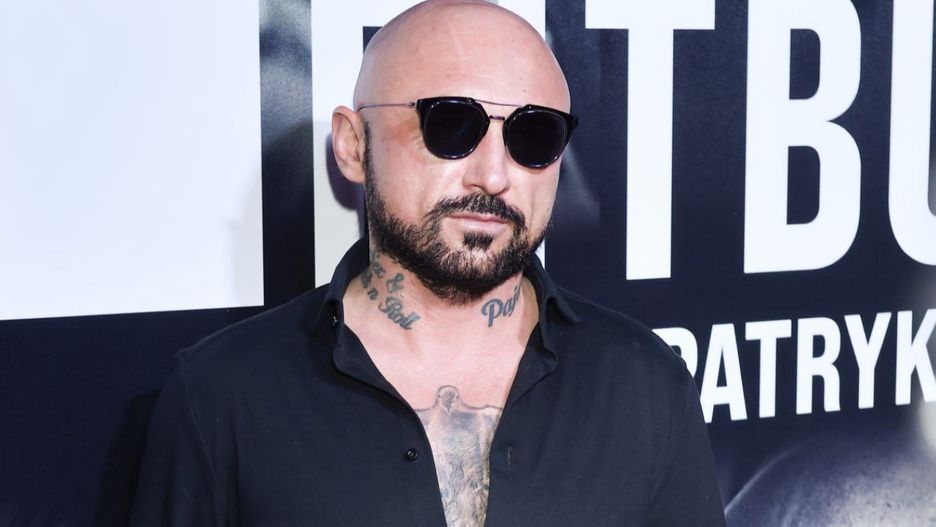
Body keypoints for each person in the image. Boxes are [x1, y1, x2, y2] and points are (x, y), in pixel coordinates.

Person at [131, 1, 725, 525]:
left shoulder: (646, 384)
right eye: (451, 126)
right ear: (353, 144)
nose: (493, 175)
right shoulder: (223, 395)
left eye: (533, 136)